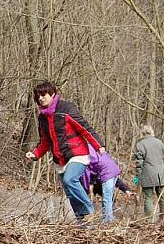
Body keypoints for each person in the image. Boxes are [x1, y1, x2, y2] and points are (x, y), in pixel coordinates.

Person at [25, 81, 105, 224]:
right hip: (59, 159)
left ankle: (89, 210)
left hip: (77, 153)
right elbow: (45, 141)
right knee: (70, 193)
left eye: (44, 95)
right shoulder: (42, 118)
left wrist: (98, 145)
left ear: (53, 94)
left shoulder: (66, 108)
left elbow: (84, 127)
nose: (41, 98)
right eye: (38, 96)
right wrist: (35, 153)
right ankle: (84, 224)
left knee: (70, 180)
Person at [80, 146, 135, 223]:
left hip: (104, 177)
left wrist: (126, 190)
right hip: (111, 172)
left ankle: (108, 220)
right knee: (107, 198)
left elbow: (86, 177)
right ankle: (108, 218)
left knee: (107, 199)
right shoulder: (97, 153)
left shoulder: (86, 155)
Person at [133, 124, 164, 220]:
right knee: (162, 197)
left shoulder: (140, 145)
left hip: (147, 175)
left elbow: (139, 164)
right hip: (161, 174)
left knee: (148, 198)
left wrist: (137, 178)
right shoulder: (159, 142)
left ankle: (149, 221)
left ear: (142, 132)